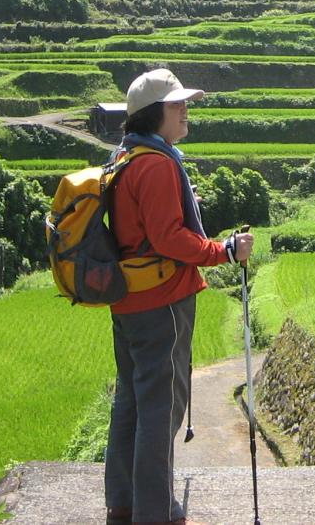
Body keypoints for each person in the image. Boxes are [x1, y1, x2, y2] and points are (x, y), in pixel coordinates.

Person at [106, 68, 252, 525]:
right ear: (154, 114)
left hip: (130, 299)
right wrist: (223, 250)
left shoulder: (126, 158)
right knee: (161, 407)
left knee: (131, 400)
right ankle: (155, 512)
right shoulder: (158, 164)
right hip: (161, 301)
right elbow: (169, 238)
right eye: (176, 104)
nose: (186, 109)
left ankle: (125, 504)